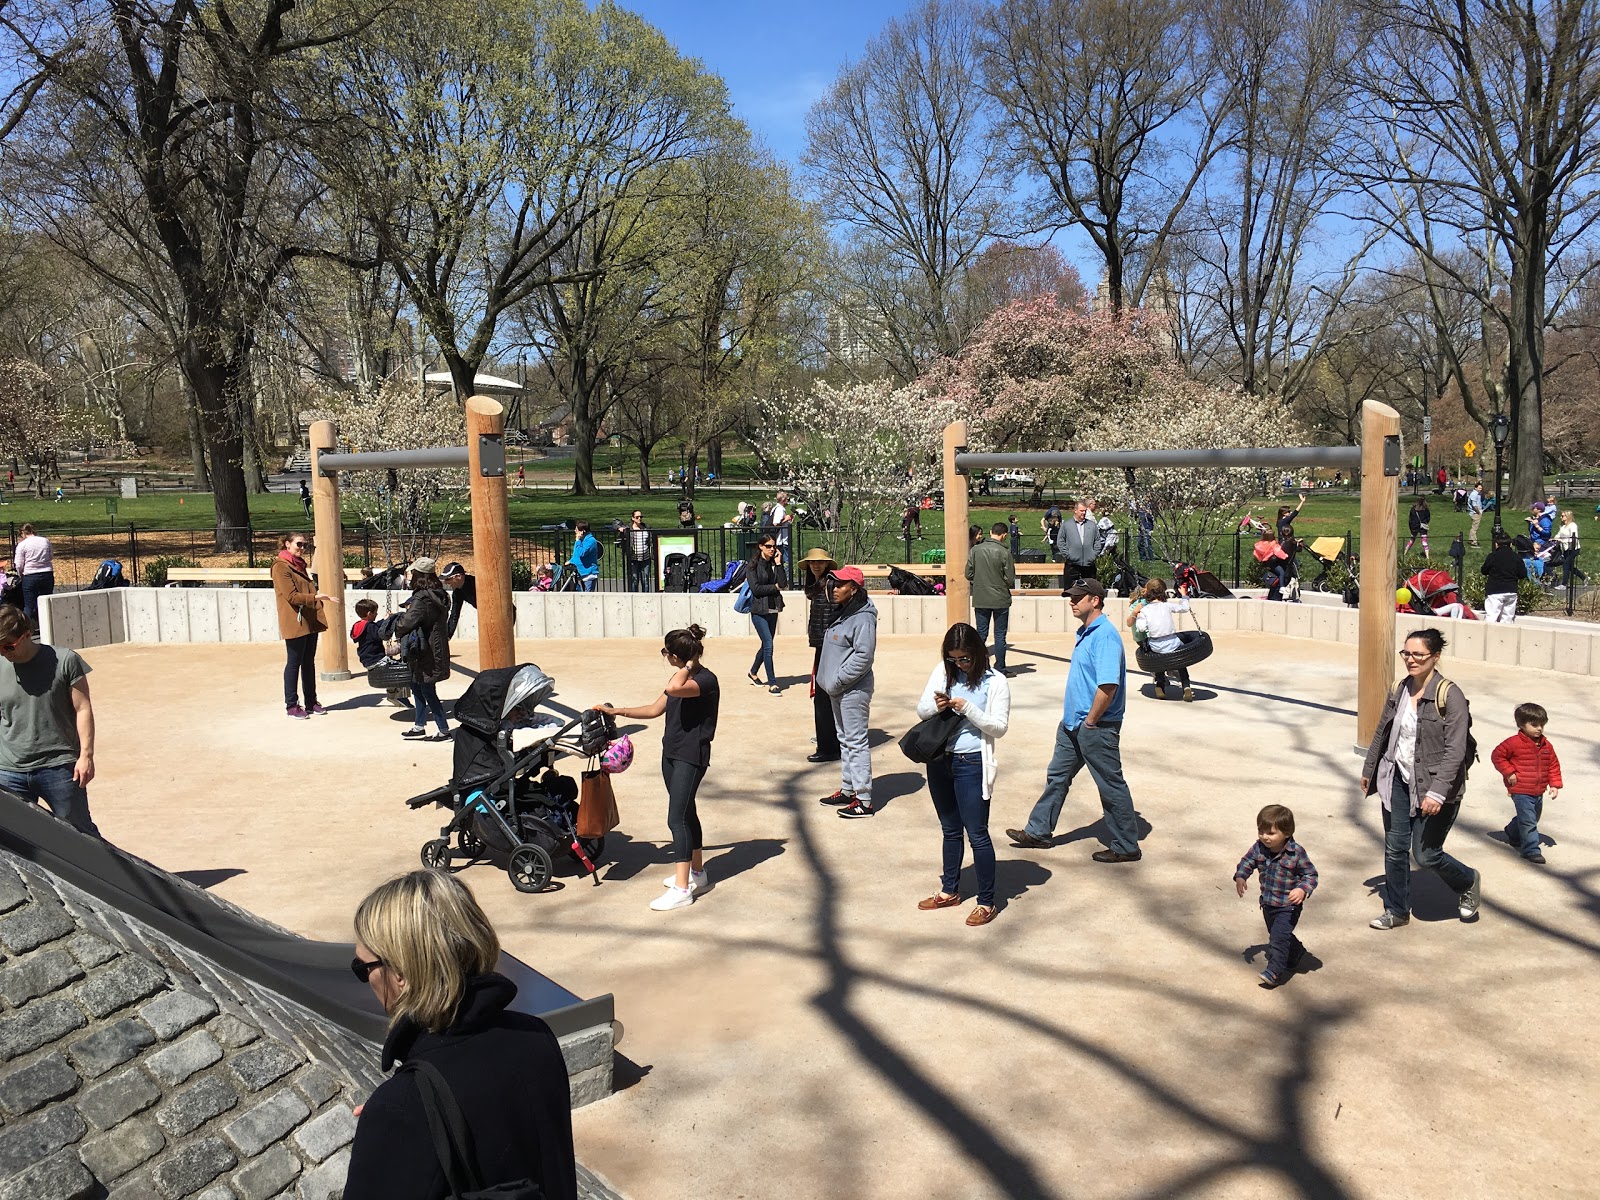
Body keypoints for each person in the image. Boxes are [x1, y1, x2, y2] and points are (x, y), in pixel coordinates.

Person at [343, 870, 577, 1200]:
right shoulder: (535, 1036)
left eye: (362, 968)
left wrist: (395, 1116)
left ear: (402, 974)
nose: (365, 979)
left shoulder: (403, 1106)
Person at [1006, 579, 1142, 862]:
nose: (1072, 601)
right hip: (1072, 725)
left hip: (1096, 726)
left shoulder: (1104, 636)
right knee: (1057, 777)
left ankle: (1127, 845)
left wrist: (1091, 721)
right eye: (1071, 596)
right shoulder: (1086, 633)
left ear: (1095, 600)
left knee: (1110, 784)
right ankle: (1038, 831)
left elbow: (1108, 685)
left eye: (1078, 597)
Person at [1361, 628, 1481, 929]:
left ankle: (1467, 881)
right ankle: (1397, 911)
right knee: (1395, 846)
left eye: (1418, 655)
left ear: (1435, 656)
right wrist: (1369, 768)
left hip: (1435, 785)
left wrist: (1437, 793)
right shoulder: (1399, 688)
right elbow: (1383, 731)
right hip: (1397, 778)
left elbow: (1455, 750)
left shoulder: (1449, 695)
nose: (1410, 660)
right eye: (1406, 654)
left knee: (1426, 855)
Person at [594, 625, 719, 911]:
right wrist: (617, 711)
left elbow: (676, 688)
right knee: (687, 812)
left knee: (676, 819)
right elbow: (654, 709)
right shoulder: (682, 677)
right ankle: (697, 873)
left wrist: (689, 664)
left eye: (666, 652)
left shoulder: (704, 680)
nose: (665, 657)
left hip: (691, 756)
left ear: (677, 657)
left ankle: (681, 889)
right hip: (671, 753)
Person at [915, 623, 1011, 927]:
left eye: (964, 660)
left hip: (971, 763)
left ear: (978, 654)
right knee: (949, 829)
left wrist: (968, 708)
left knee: (977, 833)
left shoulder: (995, 681)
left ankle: (986, 901)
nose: (959, 665)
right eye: (953, 659)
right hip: (940, 760)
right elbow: (921, 710)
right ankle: (950, 891)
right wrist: (937, 704)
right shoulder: (944, 672)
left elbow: (999, 727)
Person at [0, 606, 102, 836]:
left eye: (8, 646)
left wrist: (86, 756)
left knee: (79, 834)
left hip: (58, 767)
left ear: (27, 634)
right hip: (9, 769)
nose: (3, 653)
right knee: (15, 837)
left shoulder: (66, 660)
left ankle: (102, 872)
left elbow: (83, 708)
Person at [816, 566, 878, 819]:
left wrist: (838, 679)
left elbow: (864, 656)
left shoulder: (863, 618)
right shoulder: (843, 612)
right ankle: (848, 788)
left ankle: (864, 799)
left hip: (852, 689)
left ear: (854, 589)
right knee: (845, 740)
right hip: (838, 688)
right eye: (834, 583)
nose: (834, 588)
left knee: (856, 741)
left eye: (840, 584)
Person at [1233, 804, 1317, 988]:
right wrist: (1241, 876)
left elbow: (1310, 875)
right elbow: (1248, 861)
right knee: (1279, 934)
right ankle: (1296, 952)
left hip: (1289, 905)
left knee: (1278, 938)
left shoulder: (1296, 853)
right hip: (1269, 902)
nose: (1264, 837)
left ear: (1286, 833)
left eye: (1270, 833)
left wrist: (1302, 889)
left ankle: (1275, 972)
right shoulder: (1259, 848)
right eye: (1261, 831)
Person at [1491, 702, 1563, 865]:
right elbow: (1497, 756)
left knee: (1532, 817)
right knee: (1529, 820)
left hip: (1538, 790)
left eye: (1542, 725)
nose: (1539, 729)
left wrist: (1555, 784)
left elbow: (1553, 764)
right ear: (1521, 724)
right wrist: (1509, 772)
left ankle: (1512, 831)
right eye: (1535, 725)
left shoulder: (1546, 745)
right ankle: (1531, 850)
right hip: (1521, 789)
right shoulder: (1513, 743)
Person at [271, 532, 333, 719]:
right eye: (299, 544)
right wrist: (315, 597)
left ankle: (311, 702)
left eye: (305, 545)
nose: (302, 548)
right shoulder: (281, 567)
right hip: (294, 620)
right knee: (294, 662)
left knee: (308, 662)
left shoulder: (299, 565)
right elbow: (291, 596)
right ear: (287, 544)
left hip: (309, 618)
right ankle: (291, 705)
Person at [393, 559, 452, 741]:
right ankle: (419, 725)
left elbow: (406, 623)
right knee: (417, 685)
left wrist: (395, 622)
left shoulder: (422, 599)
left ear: (419, 575)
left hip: (425, 651)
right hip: (437, 647)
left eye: (413, 574)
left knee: (426, 689)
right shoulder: (440, 594)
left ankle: (444, 730)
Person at [800, 548, 841, 765]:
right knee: (823, 697)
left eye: (819, 563)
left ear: (826, 564)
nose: (815, 566)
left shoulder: (830, 584)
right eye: (812, 563)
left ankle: (828, 747)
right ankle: (828, 741)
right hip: (822, 645)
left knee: (823, 698)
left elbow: (836, 615)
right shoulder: (817, 586)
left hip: (829, 647)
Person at [1130, 578, 1192, 701]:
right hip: (1172, 643)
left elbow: (1141, 628)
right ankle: (1186, 686)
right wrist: (1184, 596)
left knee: (1158, 661)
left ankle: (1160, 685)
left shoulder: (1144, 610)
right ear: (1163, 592)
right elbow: (1184, 608)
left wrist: (1139, 616)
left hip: (1156, 645)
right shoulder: (1167, 606)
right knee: (1181, 660)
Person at [966, 522, 1014, 674]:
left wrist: (979, 581)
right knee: (1000, 635)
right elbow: (1010, 578)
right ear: (1004, 534)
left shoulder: (975, 550)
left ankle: (977, 666)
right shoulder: (1004, 552)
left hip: (981, 596)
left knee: (981, 633)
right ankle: (1000, 668)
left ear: (990, 531)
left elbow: (968, 573)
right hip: (1000, 598)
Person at [744, 534, 785, 694]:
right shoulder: (752, 566)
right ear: (760, 546)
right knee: (769, 645)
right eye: (768, 546)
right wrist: (774, 587)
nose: (772, 549)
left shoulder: (774, 564)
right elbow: (756, 589)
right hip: (759, 610)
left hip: (773, 608)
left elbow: (783, 583)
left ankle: (753, 672)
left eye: (773, 546)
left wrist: (779, 564)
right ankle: (773, 683)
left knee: (766, 645)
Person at [352, 598, 409, 708]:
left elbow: (374, 627)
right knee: (401, 668)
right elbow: (380, 633)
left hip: (367, 660)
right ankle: (398, 695)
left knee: (389, 671)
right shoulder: (370, 627)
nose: (376, 614)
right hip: (377, 659)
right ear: (369, 613)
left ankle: (392, 693)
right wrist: (387, 621)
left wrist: (383, 619)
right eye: (375, 613)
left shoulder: (358, 626)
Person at [13, 524, 54, 628]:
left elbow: (18, 564)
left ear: (23, 533)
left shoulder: (22, 545)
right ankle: (47, 627)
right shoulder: (45, 541)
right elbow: (50, 556)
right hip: (46, 573)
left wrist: (21, 574)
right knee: (46, 601)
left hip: (30, 575)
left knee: (29, 605)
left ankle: (25, 629)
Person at [1054, 501, 1099, 593]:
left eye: (1085, 511)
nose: (1083, 513)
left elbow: (1097, 541)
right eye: (1081, 511)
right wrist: (1068, 554)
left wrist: (1093, 555)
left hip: (1088, 564)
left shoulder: (1092, 525)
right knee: (1069, 591)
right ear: (1075, 510)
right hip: (1072, 564)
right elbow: (1060, 541)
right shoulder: (1067, 525)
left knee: (1090, 591)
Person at [1480, 534, 1526, 623]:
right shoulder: (1516, 557)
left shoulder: (1493, 556)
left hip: (1495, 590)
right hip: (1511, 590)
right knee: (1508, 619)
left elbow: (1484, 571)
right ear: (1511, 544)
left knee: (1491, 617)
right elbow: (1522, 574)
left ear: (1497, 544)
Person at [439, 562, 477, 638]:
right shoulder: (457, 592)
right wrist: (448, 636)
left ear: (459, 576)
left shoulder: (476, 583)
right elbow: (454, 614)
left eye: (448, 579)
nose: (446, 583)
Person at [620, 510, 654, 593]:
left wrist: (652, 554)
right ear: (633, 518)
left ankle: (646, 598)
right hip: (633, 559)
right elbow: (615, 523)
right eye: (637, 517)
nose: (639, 519)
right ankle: (634, 598)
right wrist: (619, 528)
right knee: (634, 581)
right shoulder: (629, 529)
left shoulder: (646, 528)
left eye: (641, 517)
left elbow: (651, 541)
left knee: (645, 580)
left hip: (645, 558)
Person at [1554, 509, 1585, 592]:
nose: (1561, 517)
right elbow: (1559, 535)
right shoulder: (1563, 526)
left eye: (1563, 516)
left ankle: (1564, 584)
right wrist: (1554, 539)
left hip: (1574, 548)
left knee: (1566, 564)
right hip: (1566, 549)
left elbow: (1573, 538)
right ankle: (1584, 578)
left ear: (1568, 516)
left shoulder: (1573, 525)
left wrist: (1562, 541)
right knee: (1570, 567)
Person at [568, 520, 601, 592]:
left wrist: (577, 541)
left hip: (588, 573)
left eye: (576, 530)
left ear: (582, 531)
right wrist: (571, 561)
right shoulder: (581, 540)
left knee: (588, 596)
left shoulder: (591, 541)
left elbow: (581, 553)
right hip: (581, 572)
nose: (575, 531)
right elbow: (576, 554)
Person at [772, 490, 793, 581]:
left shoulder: (778, 508)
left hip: (781, 539)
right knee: (785, 561)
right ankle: (786, 580)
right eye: (787, 499)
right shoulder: (779, 509)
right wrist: (786, 519)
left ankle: (781, 579)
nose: (788, 501)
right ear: (783, 500)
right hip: (782, 540)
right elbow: (776, 523)